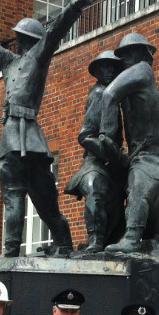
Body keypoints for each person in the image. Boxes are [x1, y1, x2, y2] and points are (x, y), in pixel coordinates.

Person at [0, 0, 90, 257]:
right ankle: (11, 251)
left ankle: (64, 244)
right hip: (11, 139)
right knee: (12, 196)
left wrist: (73, 8)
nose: (16, 39)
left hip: (32, 139)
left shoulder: (38, 56)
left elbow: (54, 34)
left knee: (46, 203)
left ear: (24, 38)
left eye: (19, 36)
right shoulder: (9, 61)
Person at [96, 33, 159, 254]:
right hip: (151, 158)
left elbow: (108, 95)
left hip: (150, 160)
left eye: (129, 53)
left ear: (142, 54)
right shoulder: (136, 77)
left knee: (138, 190)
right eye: (122, 54)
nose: (124, 58)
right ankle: (156, 239)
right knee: (152, 231)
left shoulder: (142, 70)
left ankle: (132, 239)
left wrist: (106, 136)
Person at [64, 51, 126, 253]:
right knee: (94, 188)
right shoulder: (98, 93)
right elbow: (85, 136)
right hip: (97, 160)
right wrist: (108, 152)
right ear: (97, 71)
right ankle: (95, 239)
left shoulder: (115, 95)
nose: (109, 71)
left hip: (115, 162)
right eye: (105, 67)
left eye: (113, 67)